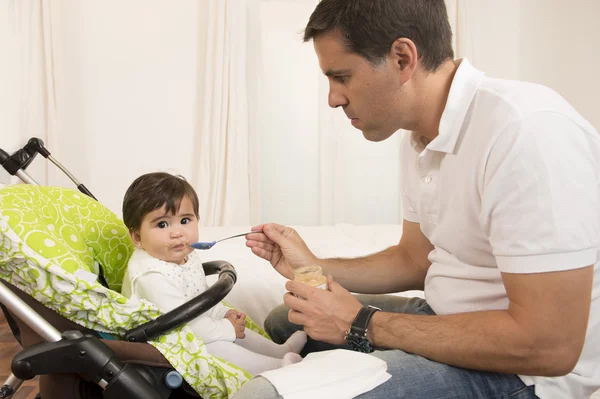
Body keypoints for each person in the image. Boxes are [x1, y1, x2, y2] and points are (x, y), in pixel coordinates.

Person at [236, 0, 600, 398]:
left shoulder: (526, 133)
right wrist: (315, 267)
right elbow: (415, 258)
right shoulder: (421, 133)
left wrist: (360, 323)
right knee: (286, 322)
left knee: (263, 395)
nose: (333, 98)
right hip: (449, 319)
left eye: (342, 76)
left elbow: (550, 345)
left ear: (402, 57)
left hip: (525, 371)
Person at [120, 172, 307, 375]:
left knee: (237, 331)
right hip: (169, 343)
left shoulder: (183, 255)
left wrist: (221, 314)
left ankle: (281, 351)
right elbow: (185, 324)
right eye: (162, 224)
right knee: (218, 346)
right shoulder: (151, 277)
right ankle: (278, 369)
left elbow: (197, 297)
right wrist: (226, 328)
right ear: (137, 237)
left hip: (191, 326)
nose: (177, 232)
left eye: (185, 220)